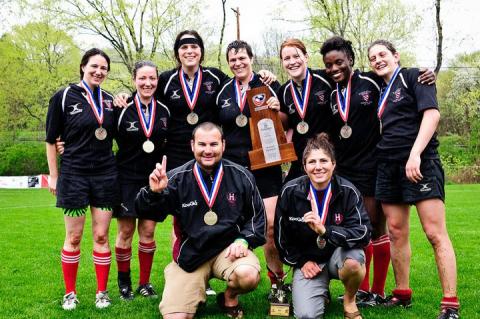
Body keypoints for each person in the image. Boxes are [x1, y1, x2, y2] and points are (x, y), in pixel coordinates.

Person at [319, 36, 435, 306]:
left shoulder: (371, 81)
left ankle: (378, 291)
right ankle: (363, 289)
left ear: (351, 60)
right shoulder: (331, 92)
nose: (334, 68)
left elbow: (396, 78)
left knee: (375, 228)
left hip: (373, 166)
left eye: (340, 62)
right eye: (328, 64)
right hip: (344, 171)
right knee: (356, 228)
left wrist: (423, 73)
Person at [135, 122, 266, 319]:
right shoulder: (176, 178)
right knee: (176, 317)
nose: (208, 150)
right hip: (191, 256)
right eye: (202, 144)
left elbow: (257, 217)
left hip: (228, 252)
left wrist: (243, 240)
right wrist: (154, 193)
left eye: (213, 144)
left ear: (223, 145)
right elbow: (150, 212)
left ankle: (229, 297)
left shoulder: (242, 176)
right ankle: (194, 289)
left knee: (248, 275)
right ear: (192, 146)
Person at [367, 40, 459, 319]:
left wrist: (415, 154)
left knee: (434, 233)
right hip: (387, 166)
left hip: (419, 163)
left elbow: (432, 115)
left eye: (383, 54)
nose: (378, 60)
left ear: (396, 56)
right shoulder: (377, 87)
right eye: (372, 57)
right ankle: (402, 294)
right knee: (395, 231)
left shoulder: (414, 76)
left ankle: (450, 304)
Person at [46, 48, 118, 310]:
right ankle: (70, 293)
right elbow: (50, 140)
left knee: (101, 235)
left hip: (105, 175)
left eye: (103, 68)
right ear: (82, 67)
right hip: (74, 174)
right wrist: (54, 176)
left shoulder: (110, 100)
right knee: (74, 237)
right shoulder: (63, 97)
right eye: (94, 67)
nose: (99, 71)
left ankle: (102, 293)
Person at [216, 40, 286, 299]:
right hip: (233, 170)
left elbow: (287, 118)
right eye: (233, 59)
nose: (238, 63)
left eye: (242, 58)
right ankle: (229, 281)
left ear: (251, 58)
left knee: (269, 228)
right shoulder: (223, 92)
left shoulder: (268, 84)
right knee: (228, 225)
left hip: (266, 167)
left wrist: (279, 112)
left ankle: (277, 285)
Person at [275, 133, 371, 319]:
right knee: (306, 316)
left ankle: (349, 301)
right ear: (304, 167)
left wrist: (326, 231)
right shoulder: (290, 192)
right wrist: (301, 262)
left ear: (333, 164)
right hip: (311, 262)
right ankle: (321, 292)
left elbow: (363, 233)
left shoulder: (349, 191)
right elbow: (281, 238)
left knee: (353, 263)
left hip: (340, 257)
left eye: (324, 161)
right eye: (312, 162)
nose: (318, 167)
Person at [112, 61, 170, 300]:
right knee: (125, 231)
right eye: (142, 78)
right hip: (126, 176)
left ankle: (144, 283)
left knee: (147, 230)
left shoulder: (165, 111)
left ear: (157, 80)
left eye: (152, 79)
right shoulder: (122, 108)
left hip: (152, 179)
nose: (148, 83)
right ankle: (124, 282)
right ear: (134, 79)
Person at [278, 38, 334, 183]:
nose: (292, 62)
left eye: (296, 56)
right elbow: (288, 125)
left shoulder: (326, 79)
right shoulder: (283, 91)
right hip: (301, 160)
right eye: (287, 58)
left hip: (327, 157)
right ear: (282, 63)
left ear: (306, 57)